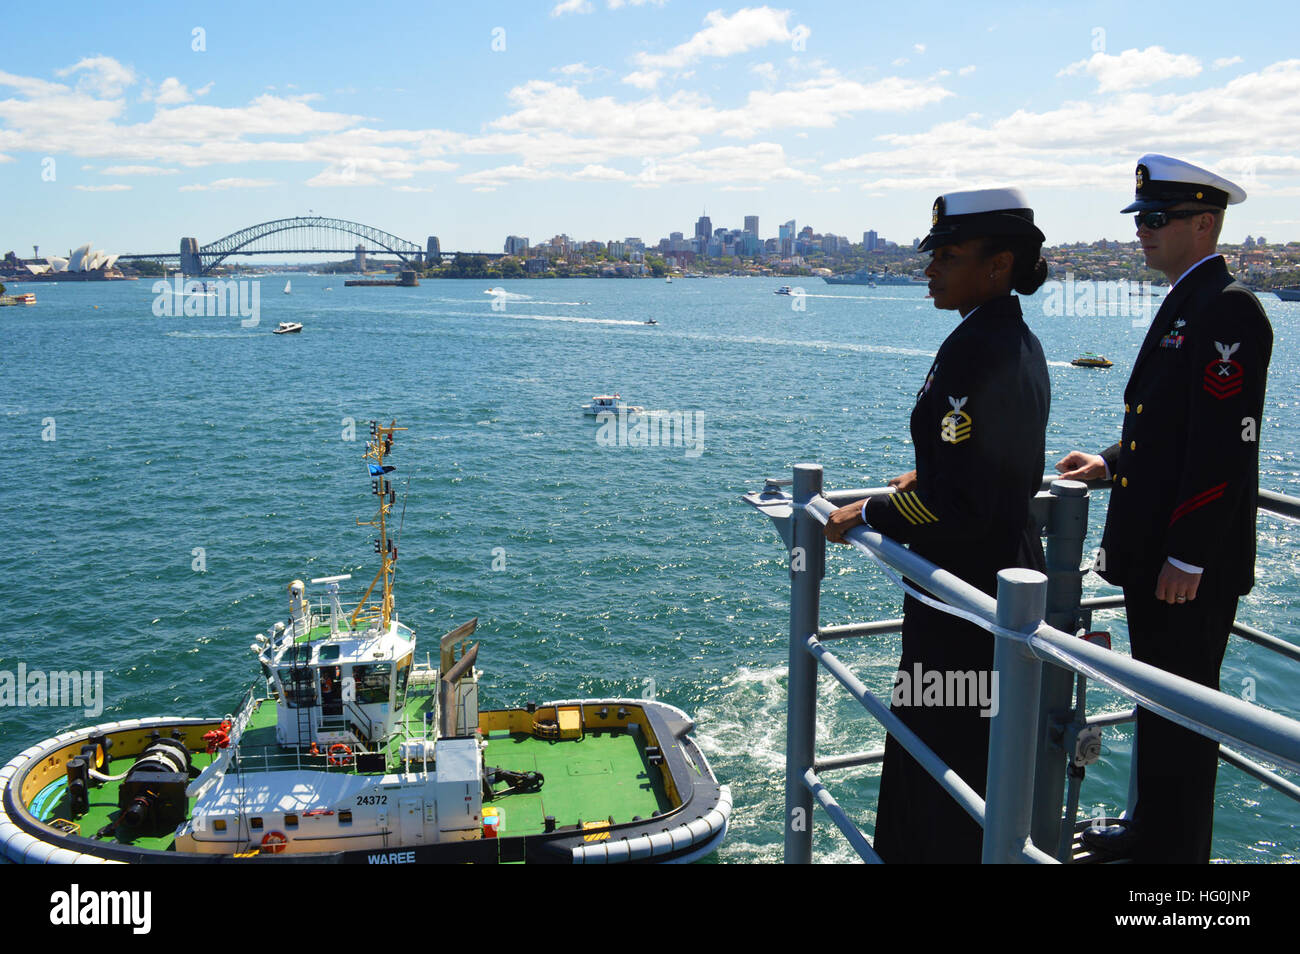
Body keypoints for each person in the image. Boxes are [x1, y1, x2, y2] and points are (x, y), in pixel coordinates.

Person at [824, 188, 1051, 863]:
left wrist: (866, 514)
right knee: (953, 757)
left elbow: (963, 507)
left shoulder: (977, 350)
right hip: (981, 586)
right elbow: (989, 460)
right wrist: (926, 476)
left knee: (941, 765)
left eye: (948, 257)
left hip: (965, 600)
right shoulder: (1003, 337)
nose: (930, 270)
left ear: (998, 264)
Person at [1057, 154, 1273, 864]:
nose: (1142, 231)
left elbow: (1222, 449)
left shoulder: (1228, 306)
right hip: (1161, 558)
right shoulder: (1191, 299)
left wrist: (1189, 553)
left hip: (1186, 567)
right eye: (1141, 218)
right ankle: (1150, 831)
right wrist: (1108, 463)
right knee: (1161, 705)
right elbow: (1163, 425)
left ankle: (1174, 868)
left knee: (1185, 717)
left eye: (1157, 219)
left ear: (1204, 223)